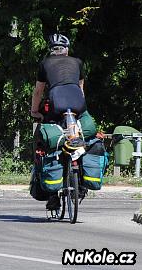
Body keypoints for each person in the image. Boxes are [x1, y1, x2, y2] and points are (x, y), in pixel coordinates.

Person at [30, 33, 85, 210]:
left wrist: (34, 111)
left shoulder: (45, 63)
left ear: (51, 50)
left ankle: (53, 194)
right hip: (77, 103)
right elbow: (81, 88)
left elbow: (38, 91)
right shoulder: (77, 62)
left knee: (48, 140)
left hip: (56, 102)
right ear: (66, 49)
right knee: (83, 137)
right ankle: (81, 182)